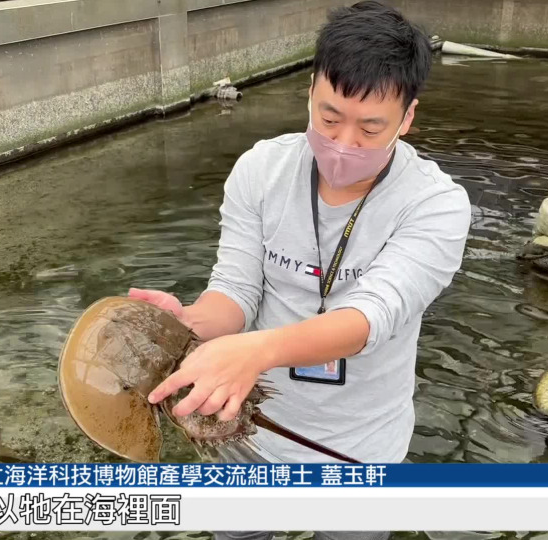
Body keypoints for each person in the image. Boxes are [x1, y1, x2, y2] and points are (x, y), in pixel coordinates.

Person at [133, 0, 468, 474]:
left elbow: (370, 317)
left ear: (407, 118)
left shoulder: (435, 203)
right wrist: (188, 323)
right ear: (310, 91)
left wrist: (258, 350)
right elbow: (236, 289)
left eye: (370, 128)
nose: (344, 143)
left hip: (361, 449)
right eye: (329, 119)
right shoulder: (260, 170)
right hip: (242, 432)